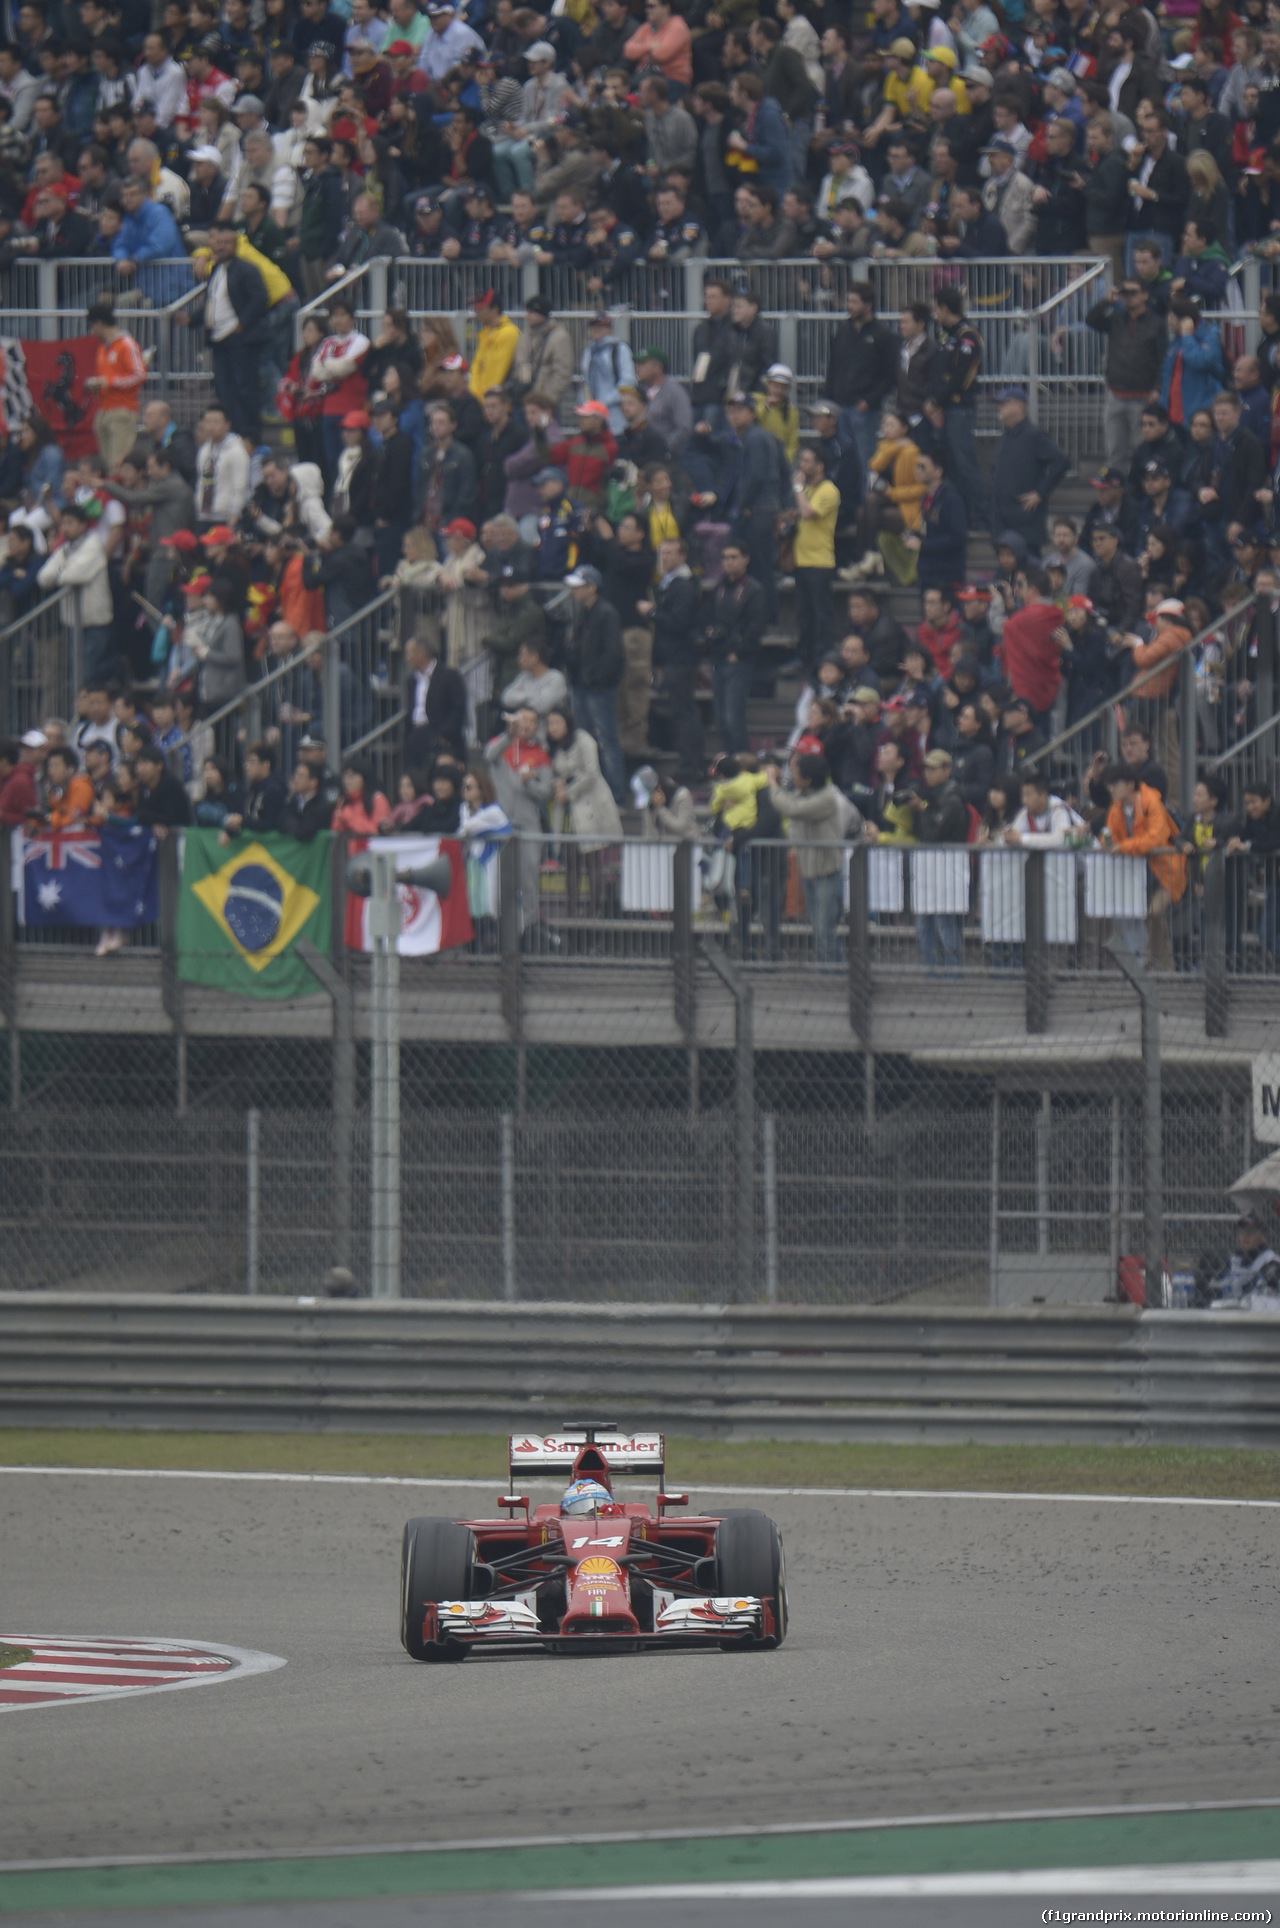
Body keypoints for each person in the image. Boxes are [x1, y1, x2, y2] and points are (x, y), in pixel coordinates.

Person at [769, 751, 844, 966]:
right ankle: (827, 968)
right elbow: (788, 800)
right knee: (817, 927)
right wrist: (780, 783)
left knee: (824, 927)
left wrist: (772, 784)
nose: (794, 777)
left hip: (827, 872)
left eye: (797, 773)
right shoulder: (804, 793)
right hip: (809, 870)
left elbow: (792, 809)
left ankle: (834, 972)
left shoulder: (827, 798)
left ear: (809, 779)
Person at [1087, 278, 1167, 470]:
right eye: (1125, 293)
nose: (1128, 297)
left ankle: (1141, 492)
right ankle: (1117, 491)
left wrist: (1157, 388)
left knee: (1143, 450)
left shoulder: (1156, 324)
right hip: (1115, 395)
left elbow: (1162, 358)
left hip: (1143, 397)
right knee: (1115, 452)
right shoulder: (1116, 318)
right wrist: (1107, 301)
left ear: (1145, 295)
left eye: (1133, 292)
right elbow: (1091, 320)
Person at [989, 387, 1069, 553]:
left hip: (1023, 524)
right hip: (1003, 522)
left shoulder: (1034, 436)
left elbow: (1061, 460)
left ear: (1019, 407)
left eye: (1004, 403)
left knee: (1029, 573)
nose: (999, 407)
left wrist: (1041, 492)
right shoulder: (1005, 437)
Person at [704, 539, 763, 758]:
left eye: (733, 557)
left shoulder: (753, 590)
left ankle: (742, 763)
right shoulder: (719, 588)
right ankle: (730, 762)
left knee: (733, 717)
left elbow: (755, 627)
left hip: (738, 660)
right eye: (725, 558)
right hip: (718, 659)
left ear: (745, 560)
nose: (728, 562)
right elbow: (709, 618)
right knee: (720, 719)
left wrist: (737, 652)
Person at [790, 443, 840, 670]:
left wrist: (798, 488)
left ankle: (823, 658)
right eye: (801, 460)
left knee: (821, 615)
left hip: (819, 561)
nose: (802, 465)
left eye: (807, 461)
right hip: (801, 560)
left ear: (820, 466)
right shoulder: (809, 490)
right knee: (804, 615)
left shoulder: (829, 490)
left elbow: (809, 512)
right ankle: (805, 657)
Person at [85, 300, 147, 471]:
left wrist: (109, 382)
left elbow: (139, 374)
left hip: (122, 410)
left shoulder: (126, 344)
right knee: (108, 465)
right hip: (104, 410)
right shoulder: (102, 349)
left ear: (99, 323)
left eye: (92, 326)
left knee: (118, 465)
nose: (92, 331)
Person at [404, 632, 466, 765]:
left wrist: (444, 734)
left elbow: (458, 708)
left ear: (421, 653)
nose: (407, 658)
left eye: (409, 653)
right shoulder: (411, 680)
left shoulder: (449, 676)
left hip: (439, 736)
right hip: (415, 734)